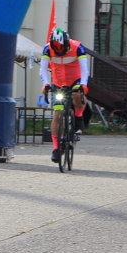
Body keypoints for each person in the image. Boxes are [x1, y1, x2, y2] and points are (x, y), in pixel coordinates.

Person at [39, 28, 89, 163]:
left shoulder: (77, 47)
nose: (59, 50)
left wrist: (83, 84)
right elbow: (43, 69)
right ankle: (56, 148)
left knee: (78, 95)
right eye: (56, 48)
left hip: (75, 80)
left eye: (62, 47)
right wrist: (46, 84)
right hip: (59, 82)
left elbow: (85, 70)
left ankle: (78, 118)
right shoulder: (47, 49)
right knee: (57, 114)